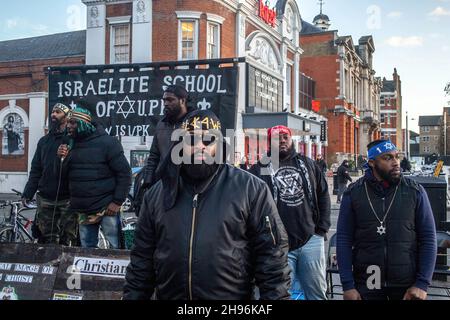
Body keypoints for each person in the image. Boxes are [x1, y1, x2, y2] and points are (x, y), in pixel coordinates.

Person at [123, 110, 291, 300]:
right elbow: (141, 264)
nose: (200, 146)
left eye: (208, 140)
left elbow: (273, 260)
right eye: (191, 140)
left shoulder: (251, 189)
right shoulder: (156, 195)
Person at [337, 139, 437, 300]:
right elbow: (343, 240)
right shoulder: (353, 193)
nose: (396, 162)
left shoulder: (414, 191)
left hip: (406, 284)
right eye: (387, 158)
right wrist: (347, 285)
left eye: (397, 157)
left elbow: (428, 238)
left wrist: (422, 283)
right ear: (371, 162)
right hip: (369, 281)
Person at [249, 125, 331, 300]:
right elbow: (250, 202)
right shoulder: (261, 168)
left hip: (310, 240)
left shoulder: (307, 164)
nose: (282, 140)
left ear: (291, 139)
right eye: (277, 137)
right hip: (278, 245)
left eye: (285, 136)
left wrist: (321, 229)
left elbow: (323, 194)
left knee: (317, 293)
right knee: (282, 294)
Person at [57, 106, 131, 248]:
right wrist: (62, 158)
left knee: (115, 249)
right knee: (87, 250)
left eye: (73, 122)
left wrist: (117, 202)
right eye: (68, 122)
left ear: (84, 123)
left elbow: (125, 174)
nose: (69, 126)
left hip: (106, 208)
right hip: (83, 210)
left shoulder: (108, 143)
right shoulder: (71, 144)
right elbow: (65, 175)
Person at [22, 103, 77, 245]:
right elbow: (36, 169)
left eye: (58, 112)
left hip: (68, 198)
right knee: (47, 238)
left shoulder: (75, 140)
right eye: (52, 112)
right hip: (46, 197)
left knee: (68, 238)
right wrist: (28, 193)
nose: (53, 115)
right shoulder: (44, 141)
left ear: (67, 115)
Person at [136, 85, 196, 212]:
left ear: (183, 100)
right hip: (164, 185)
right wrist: (148, 182)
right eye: (164, 100)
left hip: (187, 186)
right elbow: (154, 156)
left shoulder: (194, 122)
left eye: (170, 100)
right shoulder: (161, 124)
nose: (165, 103)